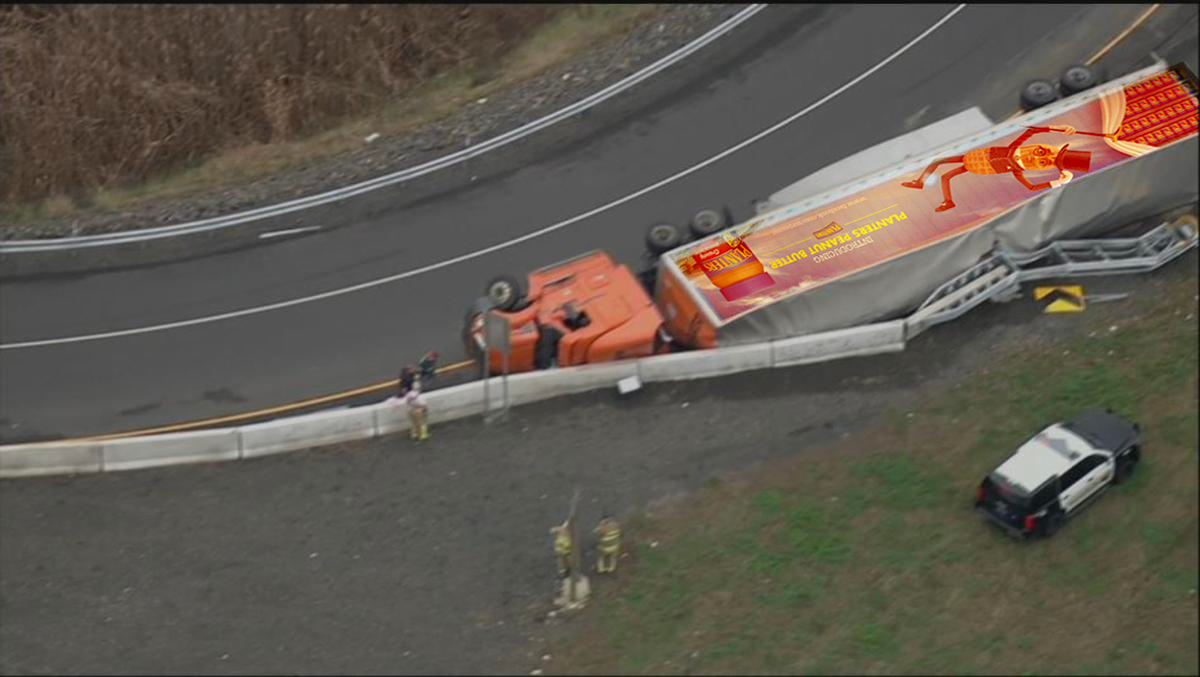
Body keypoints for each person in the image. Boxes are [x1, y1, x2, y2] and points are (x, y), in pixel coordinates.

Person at [901, 125, 1093, 212]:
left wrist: (1056, 182)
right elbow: (1033, 130)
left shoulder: (1017, 170)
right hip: (975, 158)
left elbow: (1032, 187)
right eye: (1042, 151)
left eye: (1043, 162)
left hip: (980, 166)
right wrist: (1060, 128)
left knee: (946, 175)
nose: (1036, 156)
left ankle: (947, 201)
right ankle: (920, 183)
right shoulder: (1015, 148)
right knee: (941, 165)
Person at [404, 377, 430, 442]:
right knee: (422, 422)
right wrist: (425, 409)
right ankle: (423, 435)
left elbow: (407, 402)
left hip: (410, 410)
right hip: (418, 410)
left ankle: (414, 434)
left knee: (414, 423)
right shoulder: (420, 396)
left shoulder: (408, 394)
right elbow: (423, 405)